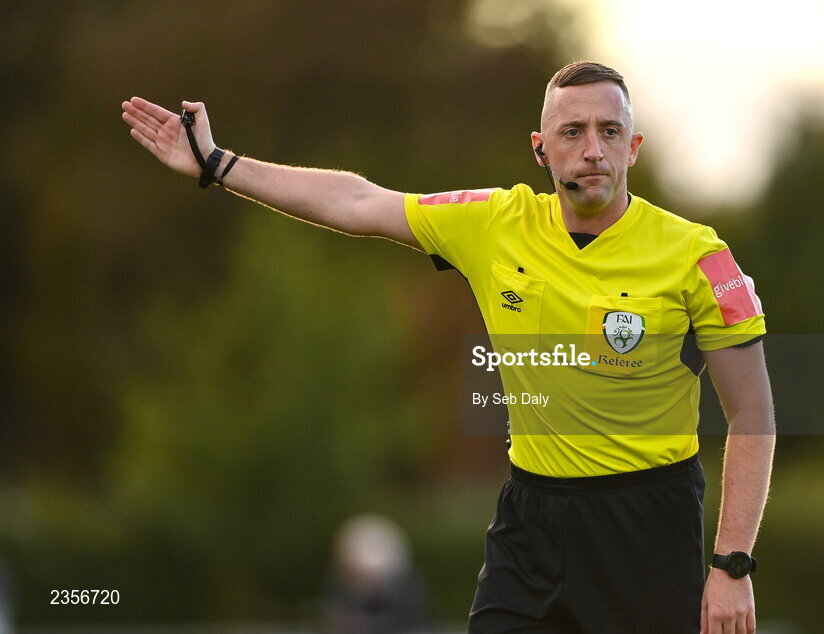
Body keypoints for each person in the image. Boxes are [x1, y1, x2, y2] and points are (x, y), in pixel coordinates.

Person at [121, 60, 775, 634]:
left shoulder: (697, 254)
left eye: (609, 132)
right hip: (532, 517)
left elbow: (753, 414)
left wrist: (732, 565)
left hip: (646, 525)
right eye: (572, 132)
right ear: (540, 149)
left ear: (632, 146)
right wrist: (218, 164)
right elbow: (359, 201)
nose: (592, 150)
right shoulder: (494, 223)